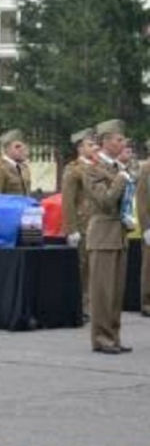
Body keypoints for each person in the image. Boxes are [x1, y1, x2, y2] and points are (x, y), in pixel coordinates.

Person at [83, 119, 133, 355]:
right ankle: (101, 338)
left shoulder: (116, 168)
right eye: (118, 139)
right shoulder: (92, 169)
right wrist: (121, 182)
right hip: (102, 235)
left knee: (115, 292)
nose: (122, 143)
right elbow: (104, 201)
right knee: (102, 292)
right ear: (105, 142)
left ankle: (113, 336)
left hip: (118, 234)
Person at [62, 128, 96, 320]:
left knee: (92, 267)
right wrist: (71, 229)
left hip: (95, 224)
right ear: (80, 148)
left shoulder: (95, 167)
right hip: (81, 224)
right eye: (90, 145)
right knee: (81, 267)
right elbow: (68, 201)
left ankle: (89, 305)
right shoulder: (73, 169)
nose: (94, 148)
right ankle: (80, 306)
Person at [0, 129, 30, 196]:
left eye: (23, 146)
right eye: (17, 147)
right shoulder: (0, 168)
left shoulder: (24, 168)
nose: (21, 149)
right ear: (7, 149)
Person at [136, 139, 150, 318]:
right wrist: (146, 226)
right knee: (149, 265)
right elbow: (141, 200)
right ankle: (147, 302)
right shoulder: (145, 169)